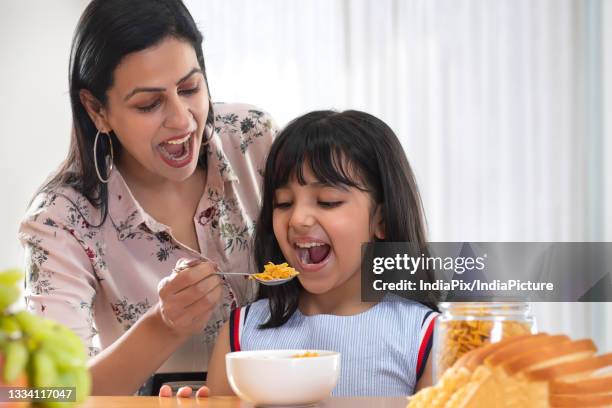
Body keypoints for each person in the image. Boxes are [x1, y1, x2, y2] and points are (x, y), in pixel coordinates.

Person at [18, 0, 276, 396]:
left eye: (190, 87)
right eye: (148, 104)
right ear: (96, 110)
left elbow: (385, 248)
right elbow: (46, 394)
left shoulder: (252, 137)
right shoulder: (59, 221)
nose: (181, 119)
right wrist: (163, 324)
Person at [167, 110, 438, 397]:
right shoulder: (241, 333)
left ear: (381, 221)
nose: (298, 219)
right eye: (283, 203)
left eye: (328, 201)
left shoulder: (425, 336)